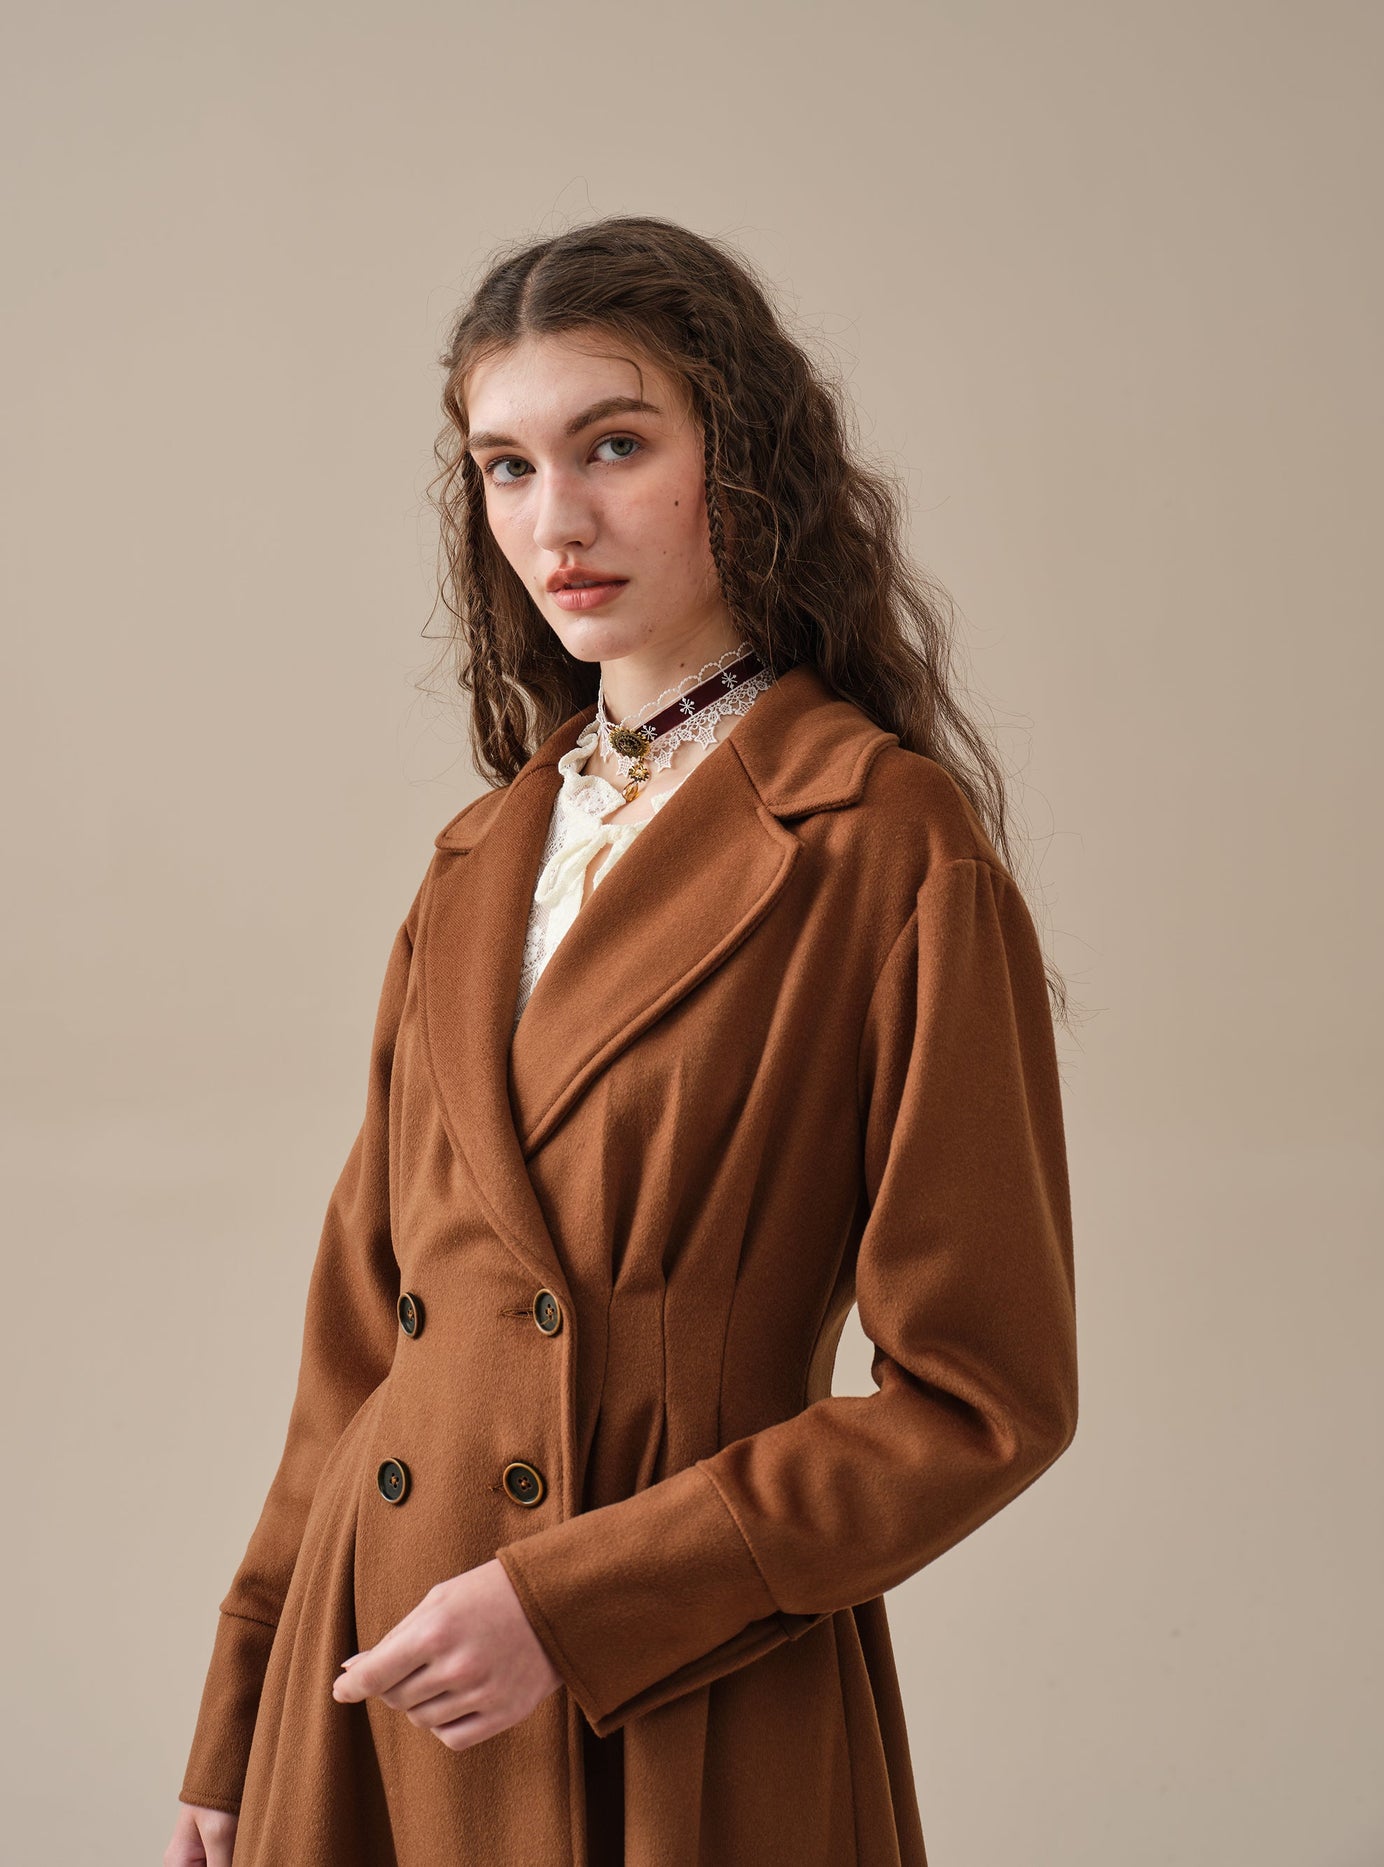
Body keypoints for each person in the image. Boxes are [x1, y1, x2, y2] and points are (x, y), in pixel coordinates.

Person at [165, 213, 1079, 1867]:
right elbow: (361, 1353)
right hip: (367, 1679)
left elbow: (983, 1397)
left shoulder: (882, 845)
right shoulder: (475, 859)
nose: (557, 520)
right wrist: (239, 1716)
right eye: (506, 468)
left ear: (748, 461)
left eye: (614, 446)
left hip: (669, 1681)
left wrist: (574, 1605)